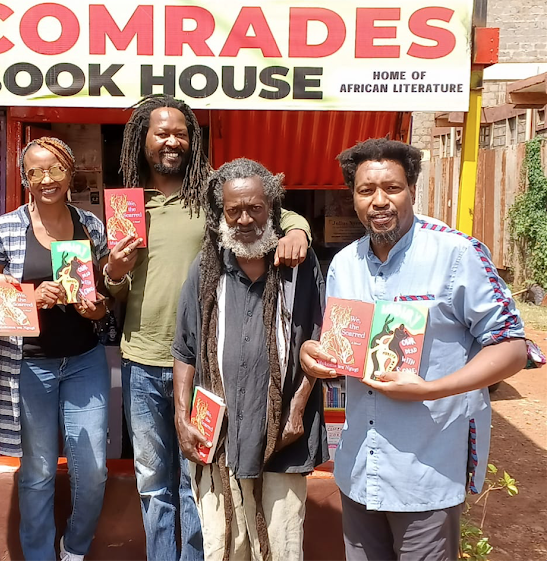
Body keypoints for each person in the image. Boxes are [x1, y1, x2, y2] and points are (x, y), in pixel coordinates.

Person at [104, 94, 313, 561]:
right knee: (152, 481)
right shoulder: (129, 207)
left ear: (193, 139)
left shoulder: (213, 197)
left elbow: (268, 209)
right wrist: (114, 272)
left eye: (180, 132)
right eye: (161, 133)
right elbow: (115, 292)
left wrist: (298, 229)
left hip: (204, 366)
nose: (171, 141)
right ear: (143, 140)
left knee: (197, 479)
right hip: (142, 360)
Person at [300, 138, 527, 561]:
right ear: (353, 197)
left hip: (424, 471)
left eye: (393, 188)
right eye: (366, 190)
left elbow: (513, 347)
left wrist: (429, 389)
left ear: (413, 190)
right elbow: (339, 345)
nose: (379, 200)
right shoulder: (345, 264)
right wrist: (314, 355)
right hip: (358, 471)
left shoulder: (457, 255)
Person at [172, 158, 329, 561]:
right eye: (234, 210)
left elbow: (319, 339)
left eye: (255, 208)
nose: (245, 219)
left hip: (282, 439)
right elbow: (185, 350)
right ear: (221, 212)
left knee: (281, 545)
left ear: (272, 208)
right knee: (225, 547)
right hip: (220, 436)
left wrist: (296, 408)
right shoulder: (206, 267)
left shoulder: (301, 265)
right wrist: (181, 416)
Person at [0, 136, 110, 561]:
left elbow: (103, 299)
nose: (46, 179)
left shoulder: (91, 226)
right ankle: (38, 556)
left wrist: (94, 308)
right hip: (27, 365)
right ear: (24, 177)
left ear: (71, 171)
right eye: (36, 171)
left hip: (84, 361)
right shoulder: (4, 228)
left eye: (55, 169)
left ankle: (73, 548)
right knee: (37, 472)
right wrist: (29, 297)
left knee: (93, 471)